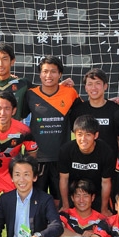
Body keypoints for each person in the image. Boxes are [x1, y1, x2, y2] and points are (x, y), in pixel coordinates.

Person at [22, 56, 81, 206]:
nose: (49, 75)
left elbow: (85, 113)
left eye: (53, 71)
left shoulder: (70, 93)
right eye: (45, 71)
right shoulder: (31, 94)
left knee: (60, 203)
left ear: (60, 74)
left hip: (61, 158)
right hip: (37, 158)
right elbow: (17, 116)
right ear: (40, 74)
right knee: (36, 203)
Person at [58, 114, 115, 216]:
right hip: (73, 192)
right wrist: (66, 205)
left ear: (95, 135)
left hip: (96, 193)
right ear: (74, 134)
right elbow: (64, 179)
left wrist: (104, 209)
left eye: (88, 134)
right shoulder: (66, 150)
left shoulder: (106, 152)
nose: (83, 139)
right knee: (64, 218)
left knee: (105, 219)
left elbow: (106, 182)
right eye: (80, 134)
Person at [70, 68, 119, 155]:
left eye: (98, 83)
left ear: (105, 86)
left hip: (109, 161)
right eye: (90, 84)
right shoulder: (78, 111)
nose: (93, 88)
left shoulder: (116, 110)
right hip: (84, 160)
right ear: (85, 88)